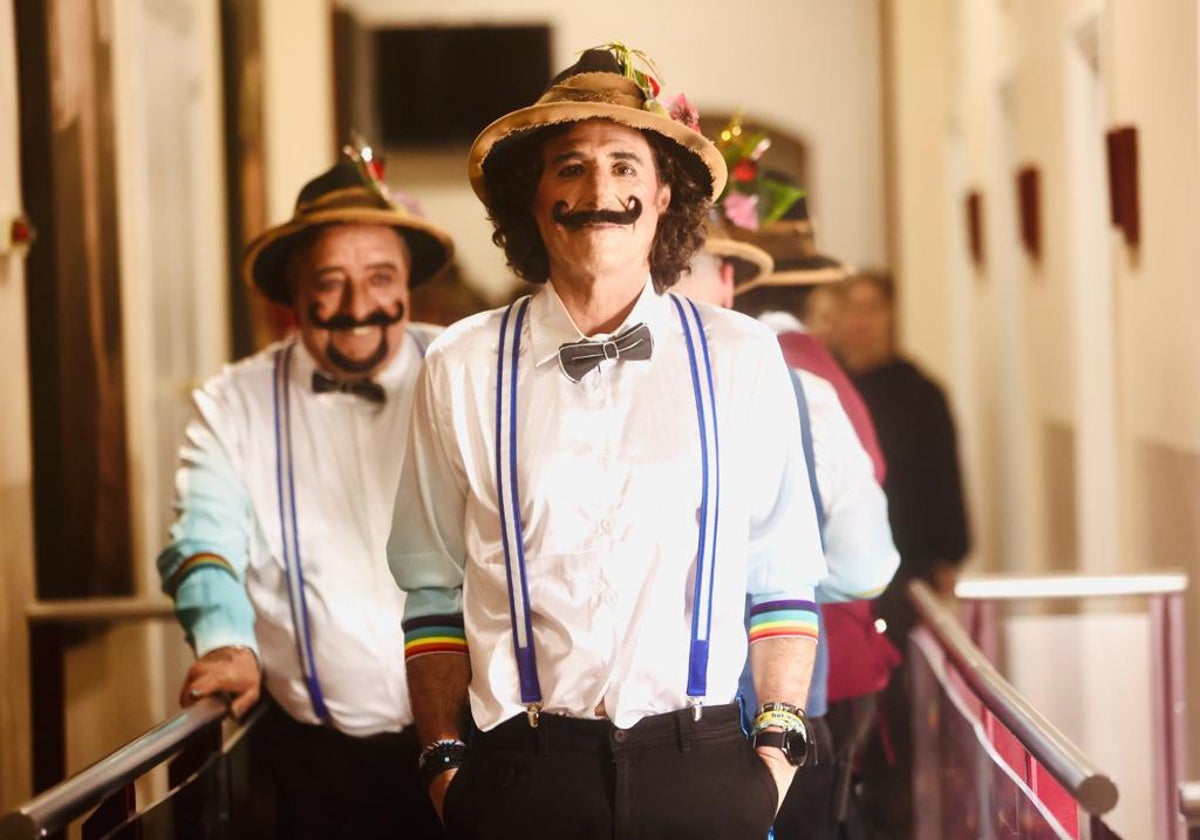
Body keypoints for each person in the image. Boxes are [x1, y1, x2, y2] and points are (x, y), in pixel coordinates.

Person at [388, 44, 826, 839]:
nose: (601, 191)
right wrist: (446, 768)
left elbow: (784, 571)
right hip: (522, 774)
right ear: (534, 197)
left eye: (626, 166)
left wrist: (774, 758)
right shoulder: (459, 364)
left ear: (664, 195)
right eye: (571, 168)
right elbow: (429, 587)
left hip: (704, 767)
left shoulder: (741, 356)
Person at [156, 147, 453, 840]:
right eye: (330, 281)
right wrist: (225, 641)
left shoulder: (465, 368)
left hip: (480, 748)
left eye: (380, 277)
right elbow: (203, 537)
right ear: (293, 294)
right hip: (318, 770)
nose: (358, 306)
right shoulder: (233, 402)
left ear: (408, 283)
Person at [679, 215, 900, 840]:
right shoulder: (803, 389)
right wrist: (782, 578)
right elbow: (867, 567)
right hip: (783, 711)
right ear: (726, 281)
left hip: (626, 743)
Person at [835, 269, 971, 839]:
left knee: (902, 718)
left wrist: (947, 557)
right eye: (853, 308)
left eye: (874, 308)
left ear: (892, 315)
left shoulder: (922, 392)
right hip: (844, 582)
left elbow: (947, 482)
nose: (862, 321)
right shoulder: (830, 386)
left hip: (908, 573)